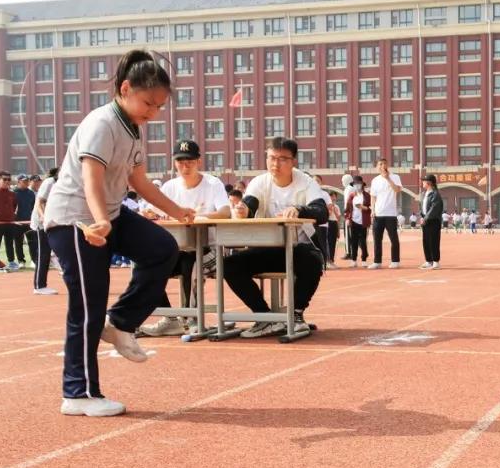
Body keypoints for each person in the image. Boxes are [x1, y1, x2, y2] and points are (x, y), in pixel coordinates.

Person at [44, 48, 195, 417]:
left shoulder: (132, 129)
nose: (152, 113)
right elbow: (90, 178)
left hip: (108, 216)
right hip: (75, 221)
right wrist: (100, 221)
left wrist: (177, 211)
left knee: (162, 247)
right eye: (148, 103)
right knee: (87, 306)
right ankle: (78, 393)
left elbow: (138, 180)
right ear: (125, 89)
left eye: (159, 107)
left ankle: (122, 321)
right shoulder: (102, 124)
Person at [222, 136, 327, 338]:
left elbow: (321, 211)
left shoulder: (305, 182)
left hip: (299, 249)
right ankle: (265, 318)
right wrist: (243, 210)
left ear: (293, 161)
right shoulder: (260, 182)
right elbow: (250, 204)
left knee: (313, 259)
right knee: (230, 265)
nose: (275, 164)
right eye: (271, 158)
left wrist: (299, 209)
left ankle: (296, 315)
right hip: (267, 249)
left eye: (282, 159)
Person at [140, 140, 231, 337]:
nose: (185, 166)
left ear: (199, 161)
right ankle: (170, 319)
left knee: (193, 263)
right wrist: (148, 212)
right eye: (180, 161)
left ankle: (192, 320)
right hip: (176, 248)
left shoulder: (213, 184)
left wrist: (197, 217)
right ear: (174, 163)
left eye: (189, 161)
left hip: (210, 249)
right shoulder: (170, 186)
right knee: (145, 266)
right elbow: (152, 210)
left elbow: (225, 213)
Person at [369, 158, 403, 269]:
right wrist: (373, 210)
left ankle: (395, 261)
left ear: (387, 165)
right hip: (378, 214)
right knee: (377, 239)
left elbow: (397, 190)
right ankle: (377, 261)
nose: (382, 166)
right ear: (377, 167)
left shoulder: (395, 177)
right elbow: (373, 196)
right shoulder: (375, 180)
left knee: (393, 238)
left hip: (391, 214)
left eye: (384, 164)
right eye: (380, 164)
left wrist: (388, 178)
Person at [31, 168, 59, 295]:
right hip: (42, 223)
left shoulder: (61, 184)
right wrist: (43, 217)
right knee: (43, 254)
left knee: (51, 251)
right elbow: (39, 202)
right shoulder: (49, 182)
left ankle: (60, 266)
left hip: (52, 222)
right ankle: (39, 285)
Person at [344, 175, 371, 267]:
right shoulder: (351, 196)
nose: (357, 185)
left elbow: (371, 208)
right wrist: (348, 218)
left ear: (362, 184)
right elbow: (347, 209)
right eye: (355, 184)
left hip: (363, 222)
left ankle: (364, 259)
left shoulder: (367, 196)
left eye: (358, 183)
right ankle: (354, 260)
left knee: (363, 242)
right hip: (353, 221)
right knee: (353, 241)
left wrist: (364, 207)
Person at [418, 174, 443, 269]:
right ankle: (428, 261)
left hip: (433, 221)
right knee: (426, 241)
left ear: (429, 183)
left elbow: (434, 208)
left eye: (424, 181)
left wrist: (426, 218)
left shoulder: (435, 194)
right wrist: (421, 217)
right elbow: (422, 207)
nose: (422, 182)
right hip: (425, 220)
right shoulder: (424, 194)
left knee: (434, 241)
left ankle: (436, 262)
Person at [12, 175, 35, 267]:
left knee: (32, 242)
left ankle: (34, 260)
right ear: (18, 182)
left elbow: (33, 206)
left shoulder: (31, 193)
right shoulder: (13, 193)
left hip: (29, 221)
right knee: (18, 243)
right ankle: (21, 261)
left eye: (27, 181)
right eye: (23, 181)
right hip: (17, 222)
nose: (26, 182)